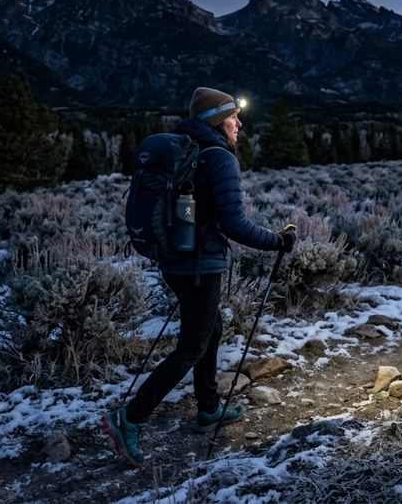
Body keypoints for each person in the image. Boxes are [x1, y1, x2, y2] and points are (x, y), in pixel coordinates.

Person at [103, 86, 296, 466]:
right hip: (199, 266)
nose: (239, 123)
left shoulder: (186, 149)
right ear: (215, 120)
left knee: (212, 329)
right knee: (192, 346)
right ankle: (130, 417)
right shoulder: (218, 157)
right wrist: (277, 241)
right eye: (232, 116)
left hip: (175, 262)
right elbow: (235, 224)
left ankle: (208, 407)